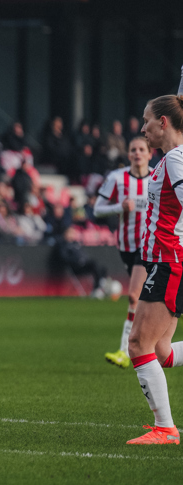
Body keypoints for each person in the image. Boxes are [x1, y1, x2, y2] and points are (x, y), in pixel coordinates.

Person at [126, 93, 183, 445]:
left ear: (163, 122)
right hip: (165, 261)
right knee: (162, 351)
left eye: (147, 120)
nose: (142, 127)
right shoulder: (170, 159)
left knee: (138, 343)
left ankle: (166, 428)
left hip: (170, 262)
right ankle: (164, 427)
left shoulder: (175, 158)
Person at [94, 136, 152, 369]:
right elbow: (97, 209)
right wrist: (120, 207)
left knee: (133, 296)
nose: (137, 153)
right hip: (125, 246)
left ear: (149, 154)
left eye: (142, 149)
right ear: (128, 155)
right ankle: (146, 343)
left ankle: (124, 350)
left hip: (148, 244)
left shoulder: (157, 177)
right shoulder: (117, 178)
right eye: (133, 150)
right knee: (143, 300)